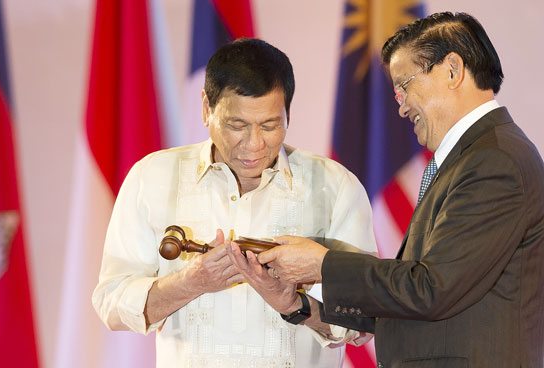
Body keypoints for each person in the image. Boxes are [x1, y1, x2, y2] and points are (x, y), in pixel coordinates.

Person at [254, 12, 544, 367]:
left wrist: (323, 263)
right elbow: (417, 300)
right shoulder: (473, 158)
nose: (402, 106)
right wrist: (301, 302)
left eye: (404, 86)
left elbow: (430, 290)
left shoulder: (494, 162)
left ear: (452, 70)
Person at [92, 38, 377, 368]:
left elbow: (366, 318)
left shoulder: (335, 186)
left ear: (288, 114)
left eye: (269, 125)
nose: (254, 144)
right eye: (237, 125)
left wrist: (293, 305)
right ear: (206, 109)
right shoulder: (151, 177)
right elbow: (111, 303)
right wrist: (190, 283)